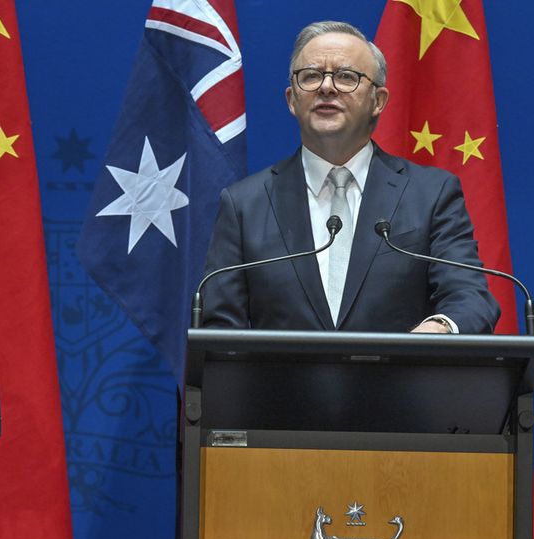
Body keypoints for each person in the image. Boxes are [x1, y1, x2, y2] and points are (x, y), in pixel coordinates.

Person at [201, 21, 499, 334]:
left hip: (397, 381)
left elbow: (470, 297)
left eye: (346, 77)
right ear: (291, 99)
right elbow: (219, 326)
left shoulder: (431, 194)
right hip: (282, 383)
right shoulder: (245, 204)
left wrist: (439, 329)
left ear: (379, 101)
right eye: (311, 76)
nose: (326, 87)